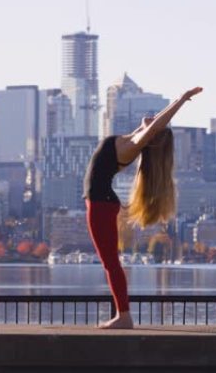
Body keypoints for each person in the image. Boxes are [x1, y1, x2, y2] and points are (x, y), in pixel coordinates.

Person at [84, 86, 203, 329]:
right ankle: (123, 314)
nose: (154, 119)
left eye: (154, 126)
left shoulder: (133, 146)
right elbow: (153, 126)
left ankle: (124, 316)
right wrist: (149, 123)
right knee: (110, 262)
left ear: (151, 136)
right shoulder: (130, 139)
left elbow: (156, 126)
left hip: (100, 205)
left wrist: (180, 99)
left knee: (110, 263)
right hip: (100, 204)